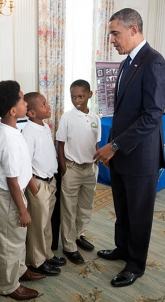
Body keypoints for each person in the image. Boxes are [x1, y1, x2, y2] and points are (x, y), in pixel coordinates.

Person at [93, 8, 165, 287]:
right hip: (122, 155)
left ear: (134, 30)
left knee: (139, 214)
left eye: (115, 33)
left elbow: (152, 116)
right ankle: (122, 249)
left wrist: (114, 145)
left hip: (140, 157)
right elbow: (124, 112)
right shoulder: (127, 62)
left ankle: (136, 264)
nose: (111, 39)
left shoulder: (154, 63)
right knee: (123, 209)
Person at [0, 80, 45, 300]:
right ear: (13, 110)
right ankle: (9, 286)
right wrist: (23, 210)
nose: (25, 102)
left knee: (18, 239)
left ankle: (20, 271)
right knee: (9, 243)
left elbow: (21, 167)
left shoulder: (12, 129)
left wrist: (31, 185)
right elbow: (11, 180)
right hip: (11, 198)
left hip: (16, 195)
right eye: (21, 100)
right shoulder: (8, 139)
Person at [56, 79, 101, 265]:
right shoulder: (67, 117)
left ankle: (78, 234)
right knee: (68, 209)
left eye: (81, 96)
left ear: (90, 94)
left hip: (90, 169)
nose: (77, 101)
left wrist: (96, 164)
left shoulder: (95, 118)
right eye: (73, 97)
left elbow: (96, 143)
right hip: (72, 169)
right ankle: (69, 246)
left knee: (85, 207)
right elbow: (60, 146)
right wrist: (64, 168)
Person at [22, 92, 67, 276]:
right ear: (31, 113)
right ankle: (36, 260)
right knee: (37, 226)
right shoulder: (28, 133)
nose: (48, 106)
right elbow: (25, 166)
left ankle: (47, 254)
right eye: (43, 104)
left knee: (46, 222)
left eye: (47, 103)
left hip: (50, 181)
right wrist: (35, 191)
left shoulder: (45, 126)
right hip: (38, 185)